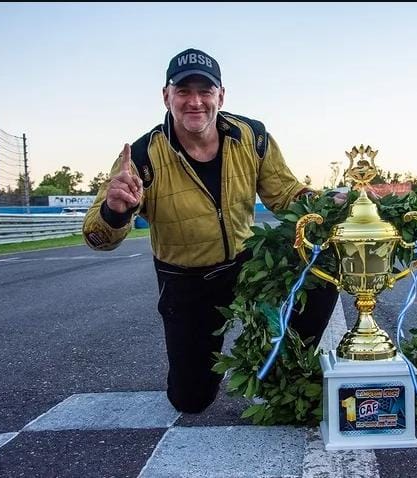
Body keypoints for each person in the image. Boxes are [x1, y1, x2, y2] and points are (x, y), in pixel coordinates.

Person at [82, 48, 339, 414]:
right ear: (166, 96)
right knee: (191, 400)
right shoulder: (140, 157)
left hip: (247, 266)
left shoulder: (251, 136)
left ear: (221, 95)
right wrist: (115, 210)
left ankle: (282, 364)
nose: (195, 102)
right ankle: (199, 370)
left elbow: (285, 195)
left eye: (205, 91)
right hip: (186, 279)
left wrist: (330, 202)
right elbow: (96, 238)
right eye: (184, 91)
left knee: (322, 269)